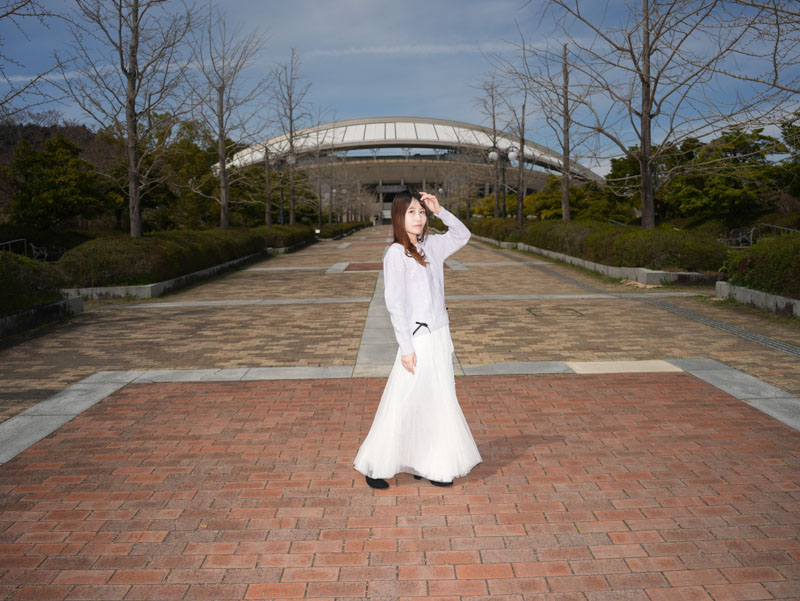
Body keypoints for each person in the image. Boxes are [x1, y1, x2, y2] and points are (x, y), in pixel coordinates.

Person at [353, 190, 482, 489]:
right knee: (403, 399)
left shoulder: (431, 246)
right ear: (398, 216)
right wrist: (406, 347)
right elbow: (395, 304)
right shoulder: (396, 254)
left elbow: (463, 235)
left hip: (439, 334)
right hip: (417, 338)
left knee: (436, 399)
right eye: (411, 212)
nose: (418, 217)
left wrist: (440, 210)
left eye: (421, 212)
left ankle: (429, 463)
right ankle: (375, 465)